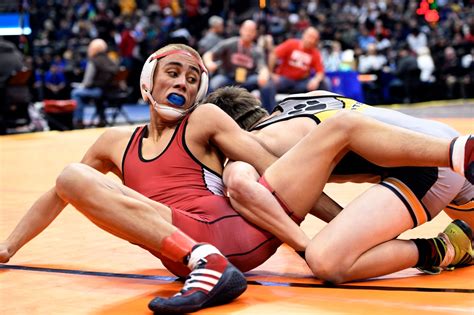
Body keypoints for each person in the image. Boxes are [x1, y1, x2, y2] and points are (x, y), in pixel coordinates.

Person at [0, 44, 283, 313]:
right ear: (148, 79)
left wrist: (307, 239)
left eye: (192, 78)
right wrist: (8, 246)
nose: (182, 83)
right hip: (184, 257)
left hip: (228, 233)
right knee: (71, 179)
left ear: (199, 92)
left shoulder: (204, 119)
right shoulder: (114, 143)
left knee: (72, 175)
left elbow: (278, 171)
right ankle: (203, 260)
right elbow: (59, 193)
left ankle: (208, 261)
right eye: (172, 73)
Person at [204, 86, 473, 283]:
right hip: (441, 136)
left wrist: (308, 241)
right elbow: (309, 191)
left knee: (327, 261)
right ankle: (461, 154)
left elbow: (248, 188)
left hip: (425, 168)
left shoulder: (259, 142)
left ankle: (442, 250)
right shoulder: (303, 97)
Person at [202, 20, 276, 113]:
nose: (248, 33)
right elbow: (209, 54)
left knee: (268, 84)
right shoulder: (230, 43)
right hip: (227, 77)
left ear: (255, 34)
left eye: (251, 31)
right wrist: (209, 63)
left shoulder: (256, 50)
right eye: (246, 30)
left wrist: (263, 75)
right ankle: (206, 111)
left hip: (246, 80)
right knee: (215, 83)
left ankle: (270, 113)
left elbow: (263, 67)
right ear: (241, 30)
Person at [70, 38, 118, 128]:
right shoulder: (110, 60)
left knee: (75, 93)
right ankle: (102, 118)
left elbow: (87, 82)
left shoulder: (93, 61)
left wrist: (82, 86)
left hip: (98, 91)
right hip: (110, 91)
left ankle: (79, 121)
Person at [269, 27, 328, 94]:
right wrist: (271, 73)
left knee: (324, 82)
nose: (311, 40)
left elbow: (320, 72)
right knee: (269, 82)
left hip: (301, 82)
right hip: (284, 79)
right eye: (310, 37)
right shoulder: (291, 44)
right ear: (304, 35)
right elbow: (274, 54)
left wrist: (315, 80)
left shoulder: (315, 53)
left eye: (314, 39)